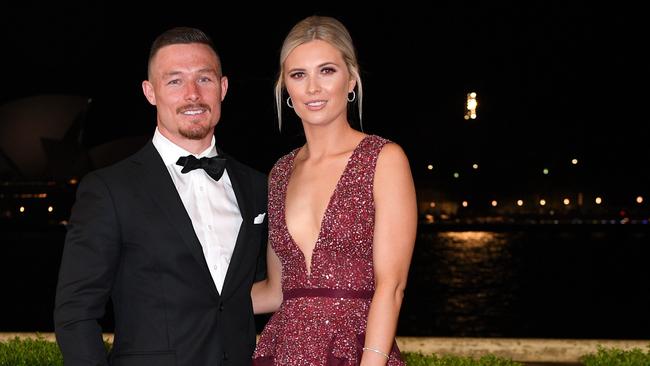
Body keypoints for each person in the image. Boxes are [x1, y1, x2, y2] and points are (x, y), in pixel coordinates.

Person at [54, 27, 268, 366]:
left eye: (205, 79)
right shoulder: (109, 189)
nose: (193, 94)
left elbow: (250, 292)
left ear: (223, 88)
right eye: (175, 81)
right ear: (150, 92)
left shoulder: (256, 186)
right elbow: (76, 312)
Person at [251, 16, 417, 365]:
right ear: (286, 88)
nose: (312, 88)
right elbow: (276, 292)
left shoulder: (383, 159)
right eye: (298, 75)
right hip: (281, 352)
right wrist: (192, 297)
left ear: (351, 79)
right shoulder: (280, 173)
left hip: (358, 353)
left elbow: (392, 286)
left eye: (326, 70)